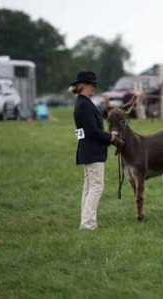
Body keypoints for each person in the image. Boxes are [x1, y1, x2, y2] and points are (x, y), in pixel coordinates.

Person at [70, 71, 124, 230]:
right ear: (84, 86)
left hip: (88, 150)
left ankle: (86, 221)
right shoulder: (85, 105)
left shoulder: (83, 103)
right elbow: (93, 131)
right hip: (93, 151)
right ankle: (88, 224)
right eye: (92, 84)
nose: (94, 87)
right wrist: (111, 138)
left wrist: (110, 135)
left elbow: (88, 131)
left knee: (89, 187)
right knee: (96, 187)